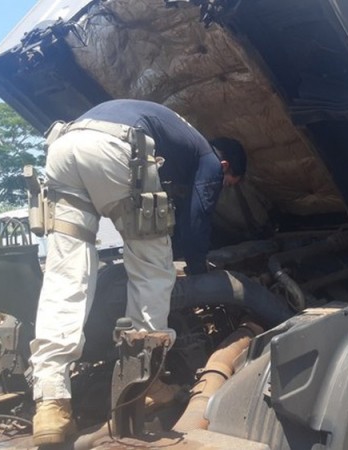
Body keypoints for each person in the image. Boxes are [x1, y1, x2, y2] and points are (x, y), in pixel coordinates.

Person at [28, 99, 246, 445]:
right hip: (115, 147)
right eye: (229, 182)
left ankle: (51, 402)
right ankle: (144, 384)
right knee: (151, 267)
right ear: (225, 166)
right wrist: (197, 265)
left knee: (66, 276)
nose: (224, 185)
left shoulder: (178, 135)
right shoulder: (208, 158)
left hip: (63, 147)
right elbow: (198, 214)